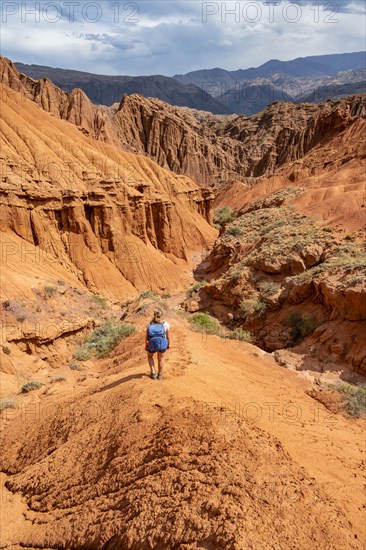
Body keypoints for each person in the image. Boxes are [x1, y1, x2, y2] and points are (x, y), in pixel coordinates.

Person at [146, 309, 170, 380]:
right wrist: (168, 343)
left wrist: (146, 345)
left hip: (152, 344)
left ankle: (153, 373)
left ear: (154, 315)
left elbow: (146, 336)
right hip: (162, 344)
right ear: (162, 315)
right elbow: (168, 336)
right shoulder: (165, 324)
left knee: (150, 357)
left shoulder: (149, 324)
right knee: (160, 359)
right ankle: (160, 375)